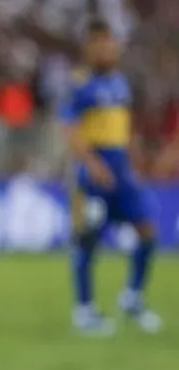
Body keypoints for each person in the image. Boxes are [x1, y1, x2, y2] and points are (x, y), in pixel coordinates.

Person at [60, 17, 161, 336]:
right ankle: (85, 311)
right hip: (95, 174)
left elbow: (124, 129)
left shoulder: (120, 83)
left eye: (109, 42)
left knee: (147, 232)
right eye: (99, 44)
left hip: (121, 170)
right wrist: (92, 164)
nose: (106, 49)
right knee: (87, 240)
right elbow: (71, 130)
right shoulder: (80, 84)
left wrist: (134, 159)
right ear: (89, 48)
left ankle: (132, 298)